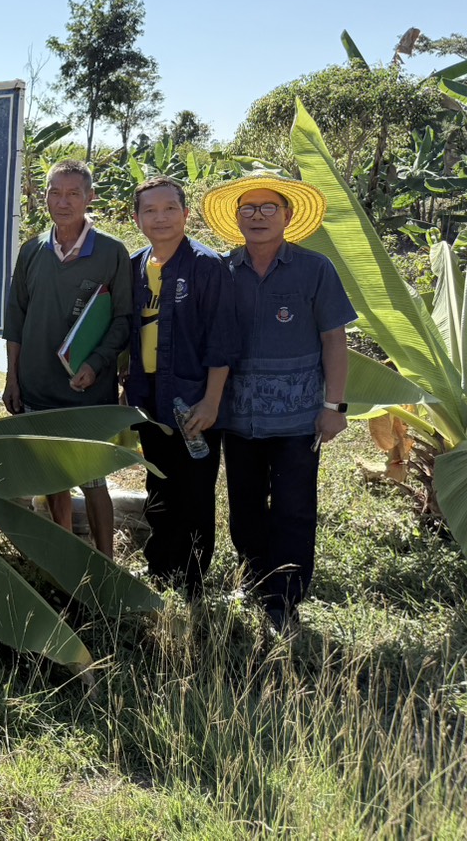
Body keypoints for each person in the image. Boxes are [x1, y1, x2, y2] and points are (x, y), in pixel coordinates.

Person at [200, 172, 355, 635]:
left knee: (293, 507)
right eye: (249, 208)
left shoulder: (315, 269)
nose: (258, 216)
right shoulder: (223, 270)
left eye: (269, 208)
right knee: (245, 505)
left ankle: (284, 601)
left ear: (287, 216)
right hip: (238, 415)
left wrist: (336, 406)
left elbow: (334, 340)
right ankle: (252, 581)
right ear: (237, 218)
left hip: (298, 416)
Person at [3, 159, 131, 556]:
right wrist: (13, 378)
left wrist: (95, 365)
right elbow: (16, 319)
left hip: (87, 393)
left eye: (74, 193)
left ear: (90, 197)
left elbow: (124, 319)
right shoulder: (32, 251)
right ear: (45, 197)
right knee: (52, 476)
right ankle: (64, 553)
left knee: (93, 480)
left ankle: (106, 563)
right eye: (55, 192)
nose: (63, 202)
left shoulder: (112, 252)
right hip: (38, 387)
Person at [123, 176, 238, 596]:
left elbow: (222, 339)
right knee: (158, 482)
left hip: (193, 398)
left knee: (194, 490)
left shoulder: (207, 266)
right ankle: (160, 568)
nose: (161, 218)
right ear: (137, 219)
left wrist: (211, 401)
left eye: (170, 208)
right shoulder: (135, 266)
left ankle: (191, 581)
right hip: (148, 397)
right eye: (150, 210)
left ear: (186, 214)